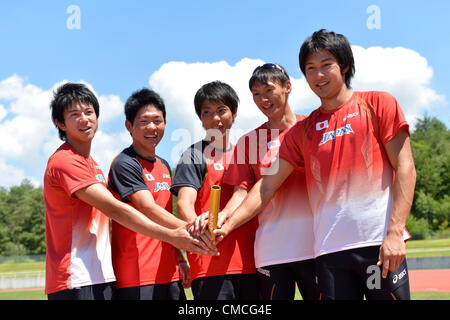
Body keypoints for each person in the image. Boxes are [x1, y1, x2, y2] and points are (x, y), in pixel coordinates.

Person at [215, 29, 416, 300]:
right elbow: (266, 187)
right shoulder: (303, 131)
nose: (318, 75)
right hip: (328, 253)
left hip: (377, 245)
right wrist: (225, 227)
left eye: (326, 65)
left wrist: (394, 232)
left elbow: (405, 167)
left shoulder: (378, 103)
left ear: (345, 66)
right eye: (310, 69)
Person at [44, 83, 217, 300]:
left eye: (89, 112)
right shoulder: (65, 161)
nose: (84, 119)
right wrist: (183, 232)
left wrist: (177, 252)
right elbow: (115, 209)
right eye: (74, 115)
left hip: (101, 275)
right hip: (75, 277)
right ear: (60, 123)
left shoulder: (93, 165)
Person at [219, 63, 317, 300]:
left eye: (268, 90)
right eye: (256, 95)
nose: (263, 99)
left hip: (317, 246)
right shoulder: (249, 142)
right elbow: (241, 192)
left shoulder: (313, 128)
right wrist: (223, 217)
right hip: (272, 251)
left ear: (287, 87)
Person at [170, 81, 258, 300]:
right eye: (207, 113)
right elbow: (184, 204)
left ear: (234, 113)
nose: (215, 119)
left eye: (221, 111)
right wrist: (202, 236)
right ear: (200, 118)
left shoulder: (245, 153)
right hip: (211, 265)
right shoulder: (194, 155)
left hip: (253, 262)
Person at [107, 89, 190, 300]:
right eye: (144, 121)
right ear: (129, 126)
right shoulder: (124, 164)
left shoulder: (163, 165)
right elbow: (148, 208)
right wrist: (194, 230)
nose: (152, 127)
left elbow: (164, 215)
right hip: (137, 276)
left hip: (169, 273)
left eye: (157, 120)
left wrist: (178, 256)